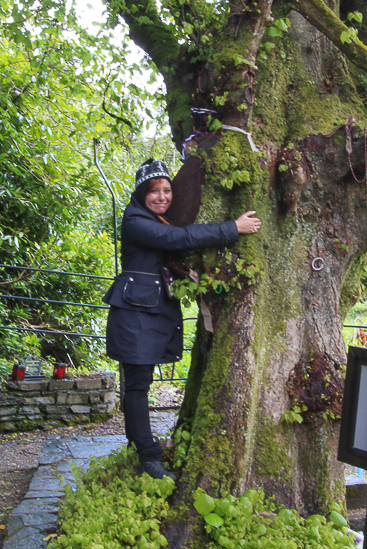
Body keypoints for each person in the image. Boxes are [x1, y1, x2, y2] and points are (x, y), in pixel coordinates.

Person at [103, 158, 261, 480]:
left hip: (146, 310)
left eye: (166, 190)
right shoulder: (136, 221)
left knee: (137, 385)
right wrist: (232, 228)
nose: (162, 197)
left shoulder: (156, 220)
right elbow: (180, 239)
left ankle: (141, 448)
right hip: (134, 313)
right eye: (153, 191)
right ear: (140, 194)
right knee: (136, 386)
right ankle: (148, 458)